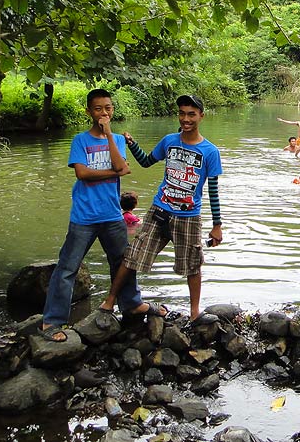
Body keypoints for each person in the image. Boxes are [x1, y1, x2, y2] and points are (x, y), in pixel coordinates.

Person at [97, 94, 223, 322]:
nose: (186, 119)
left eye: (191, 114)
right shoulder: (169, 141)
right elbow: (146, 162)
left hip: (189, 217)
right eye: (182, 113)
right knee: (133, 256)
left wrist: (217, 226)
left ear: (201, 116)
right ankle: (110, 300)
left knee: (193, 265)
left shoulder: (210, 151)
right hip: (159, 210)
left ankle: (195, 312)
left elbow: (212, 190)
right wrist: (132, 144)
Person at [40, 89, 145, 343]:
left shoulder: (118, 139)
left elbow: (122, 167)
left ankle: (130, 305)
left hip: (111, 215)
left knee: (123, 263)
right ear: (89, 111)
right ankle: (52, 321)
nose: (104, 113)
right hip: (84, 216)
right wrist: (114, 172)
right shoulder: (80, 140)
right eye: (98, 109)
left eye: (108, 108)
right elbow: (82, 174)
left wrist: (109, 134)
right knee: (67, 267)